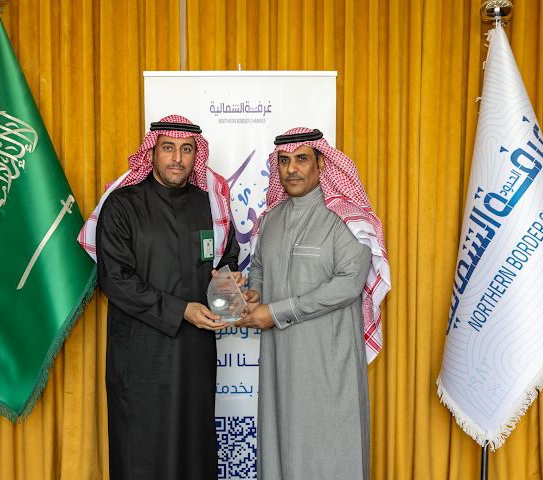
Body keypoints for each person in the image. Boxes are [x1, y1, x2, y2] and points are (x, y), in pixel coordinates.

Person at [80, 115, 240, 479]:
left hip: (195, 355)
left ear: (196, 155)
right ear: (152, 152)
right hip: (140, 358)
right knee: (142, 452)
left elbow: (227, 261)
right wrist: (181, 310)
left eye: (186, 150)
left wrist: (230, 287)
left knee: (193, 450)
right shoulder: (123, 205)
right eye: (168, 148)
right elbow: (115, 280)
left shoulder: (211, 206)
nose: (177, 159)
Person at [236, 127, 391, 480]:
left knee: (329, 445)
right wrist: (255, 293)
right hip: (278, 359)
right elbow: (258, 265)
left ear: (321, 164)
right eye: (284, 161)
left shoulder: (347, 219)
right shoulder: (271, 218)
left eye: (301, 159)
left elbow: (348, 285)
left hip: (326, 359)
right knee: (281, 441)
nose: (291, 169)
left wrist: (275, 312)